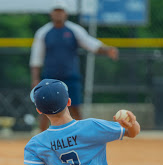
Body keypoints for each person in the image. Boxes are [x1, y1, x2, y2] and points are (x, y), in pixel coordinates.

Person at [30, 0, 119, 131]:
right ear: (51, 13)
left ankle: (81, 138)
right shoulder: (43, 32)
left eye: (61, 11)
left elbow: (91, 44)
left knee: (75, 108)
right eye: (56, 11)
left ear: (66, 13)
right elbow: (36, 58)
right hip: (50, 79)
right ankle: (43, 138)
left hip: (70, 77)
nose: (58, 14)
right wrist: (35, 79)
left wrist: (107, 50)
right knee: (45, 109)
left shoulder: (74, 30)